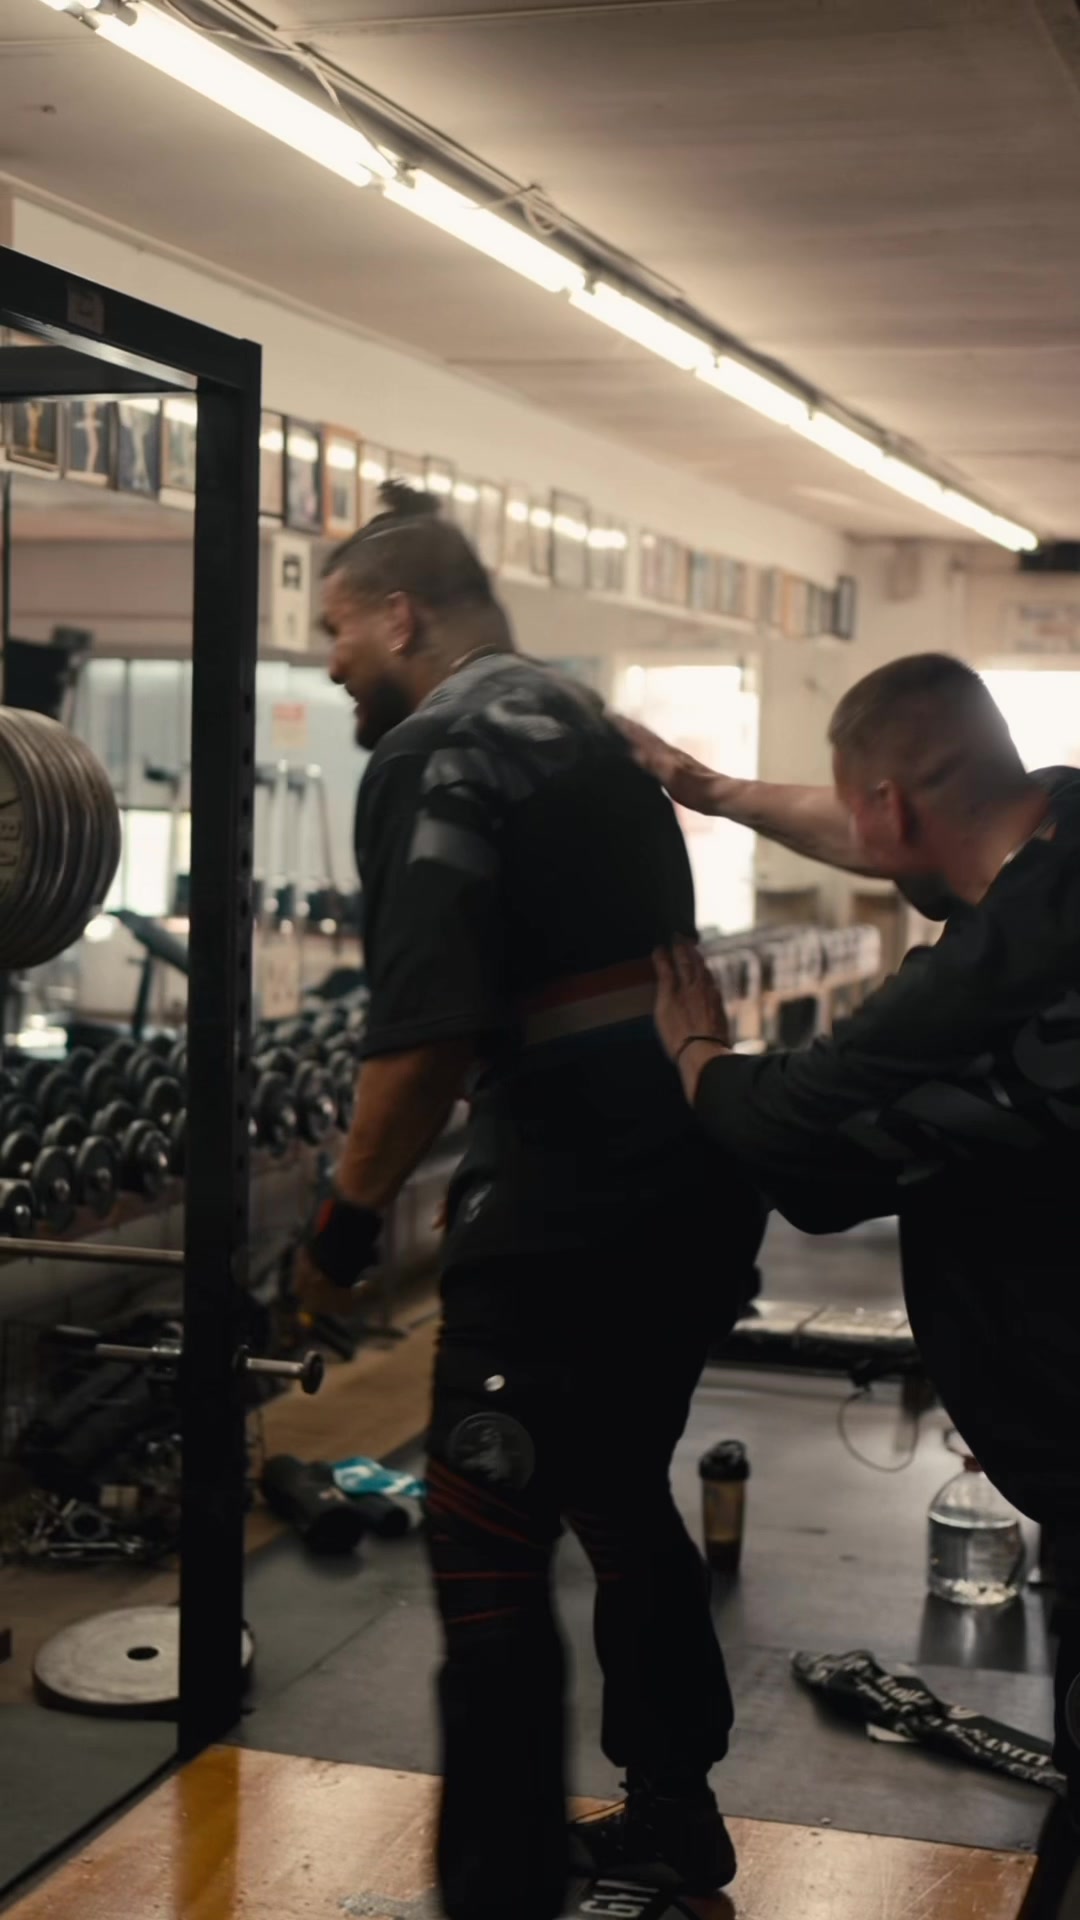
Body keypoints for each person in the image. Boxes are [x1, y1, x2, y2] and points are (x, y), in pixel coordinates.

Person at [297, 482, 765, 1919]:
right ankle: (674, 1815)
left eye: (334, 629)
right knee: (617, 1492)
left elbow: (424, 1041)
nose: (329, 661)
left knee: (486, 1544)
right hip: (688, 1185)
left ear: (401, 617)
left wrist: (340, 1230)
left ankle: (498, 1895)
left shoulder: (437, 751)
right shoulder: (586, 727)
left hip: (570, 1212)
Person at [626, 652, 1080, 1812]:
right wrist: (713, 791)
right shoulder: (1058, 824)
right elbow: (899, 824)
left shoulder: (987, 968)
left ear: (886, 807)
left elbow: (782, 1123)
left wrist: (696, 1048)